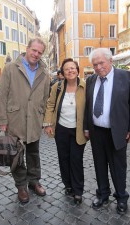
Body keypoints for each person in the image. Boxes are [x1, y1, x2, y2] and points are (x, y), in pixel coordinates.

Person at [84, 48, 130, 215]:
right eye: (95, 64)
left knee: (118, 167)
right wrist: (87, 127)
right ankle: (102, 194)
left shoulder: (126, 76)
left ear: (110, 61)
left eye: (101, 63)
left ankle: (121, 198)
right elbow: (88, 106)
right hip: (96, 132)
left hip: (117, 132)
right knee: (99, 165)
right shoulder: (91, 80)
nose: (98, 67)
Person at [0, 38, 50, 203]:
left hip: (34, 120)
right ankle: (21, 185)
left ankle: (34, 181)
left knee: (34, 153)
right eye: (34, 50)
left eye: (40, 52)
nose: (36, 54)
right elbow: (2, 95)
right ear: (27, 49)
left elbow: (46, 99)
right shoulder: (10, 68)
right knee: (16, 155)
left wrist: (44, 119)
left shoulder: (45, 73)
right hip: (15, 120)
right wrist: (2, 119)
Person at [43, 58, 87, 204]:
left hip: (78, 130)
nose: (70, 71)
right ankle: (68, 185)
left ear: (77, 70)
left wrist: (89, 128)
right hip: (61, 129)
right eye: (67, 69)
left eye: (73, 68)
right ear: (62, 72)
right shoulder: (58, 86)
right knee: (63, 158)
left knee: (76, 159)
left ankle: (78, 190)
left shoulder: (85, 86)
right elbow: (50, 105)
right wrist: (48, 124)